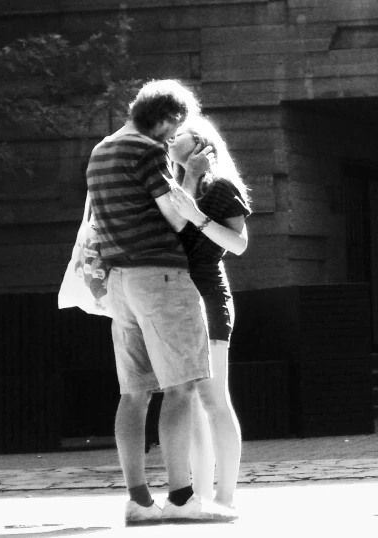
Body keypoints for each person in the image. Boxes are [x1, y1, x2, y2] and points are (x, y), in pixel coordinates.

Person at [86, 79, 235, 525]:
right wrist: (188, 176)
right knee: (182, 386)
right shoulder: (147, 152)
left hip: (120, 282)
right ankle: (183, 497)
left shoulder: (100, 151)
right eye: (175, 128)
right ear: (167, 118)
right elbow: (173, 216)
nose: (173, 138)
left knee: (132, 394)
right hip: (162, 277)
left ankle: (138, 500)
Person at [166, 115, 252, 511]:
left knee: (214, 400)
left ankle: (226, 498)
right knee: (196, 405)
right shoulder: (171, 187)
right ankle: (200, 498)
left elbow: (238, 244)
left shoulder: (220, 187)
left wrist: (198, 217)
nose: (170, 137)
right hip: (177, 300)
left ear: (201, 143)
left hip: (209, 298)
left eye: (178, 133)